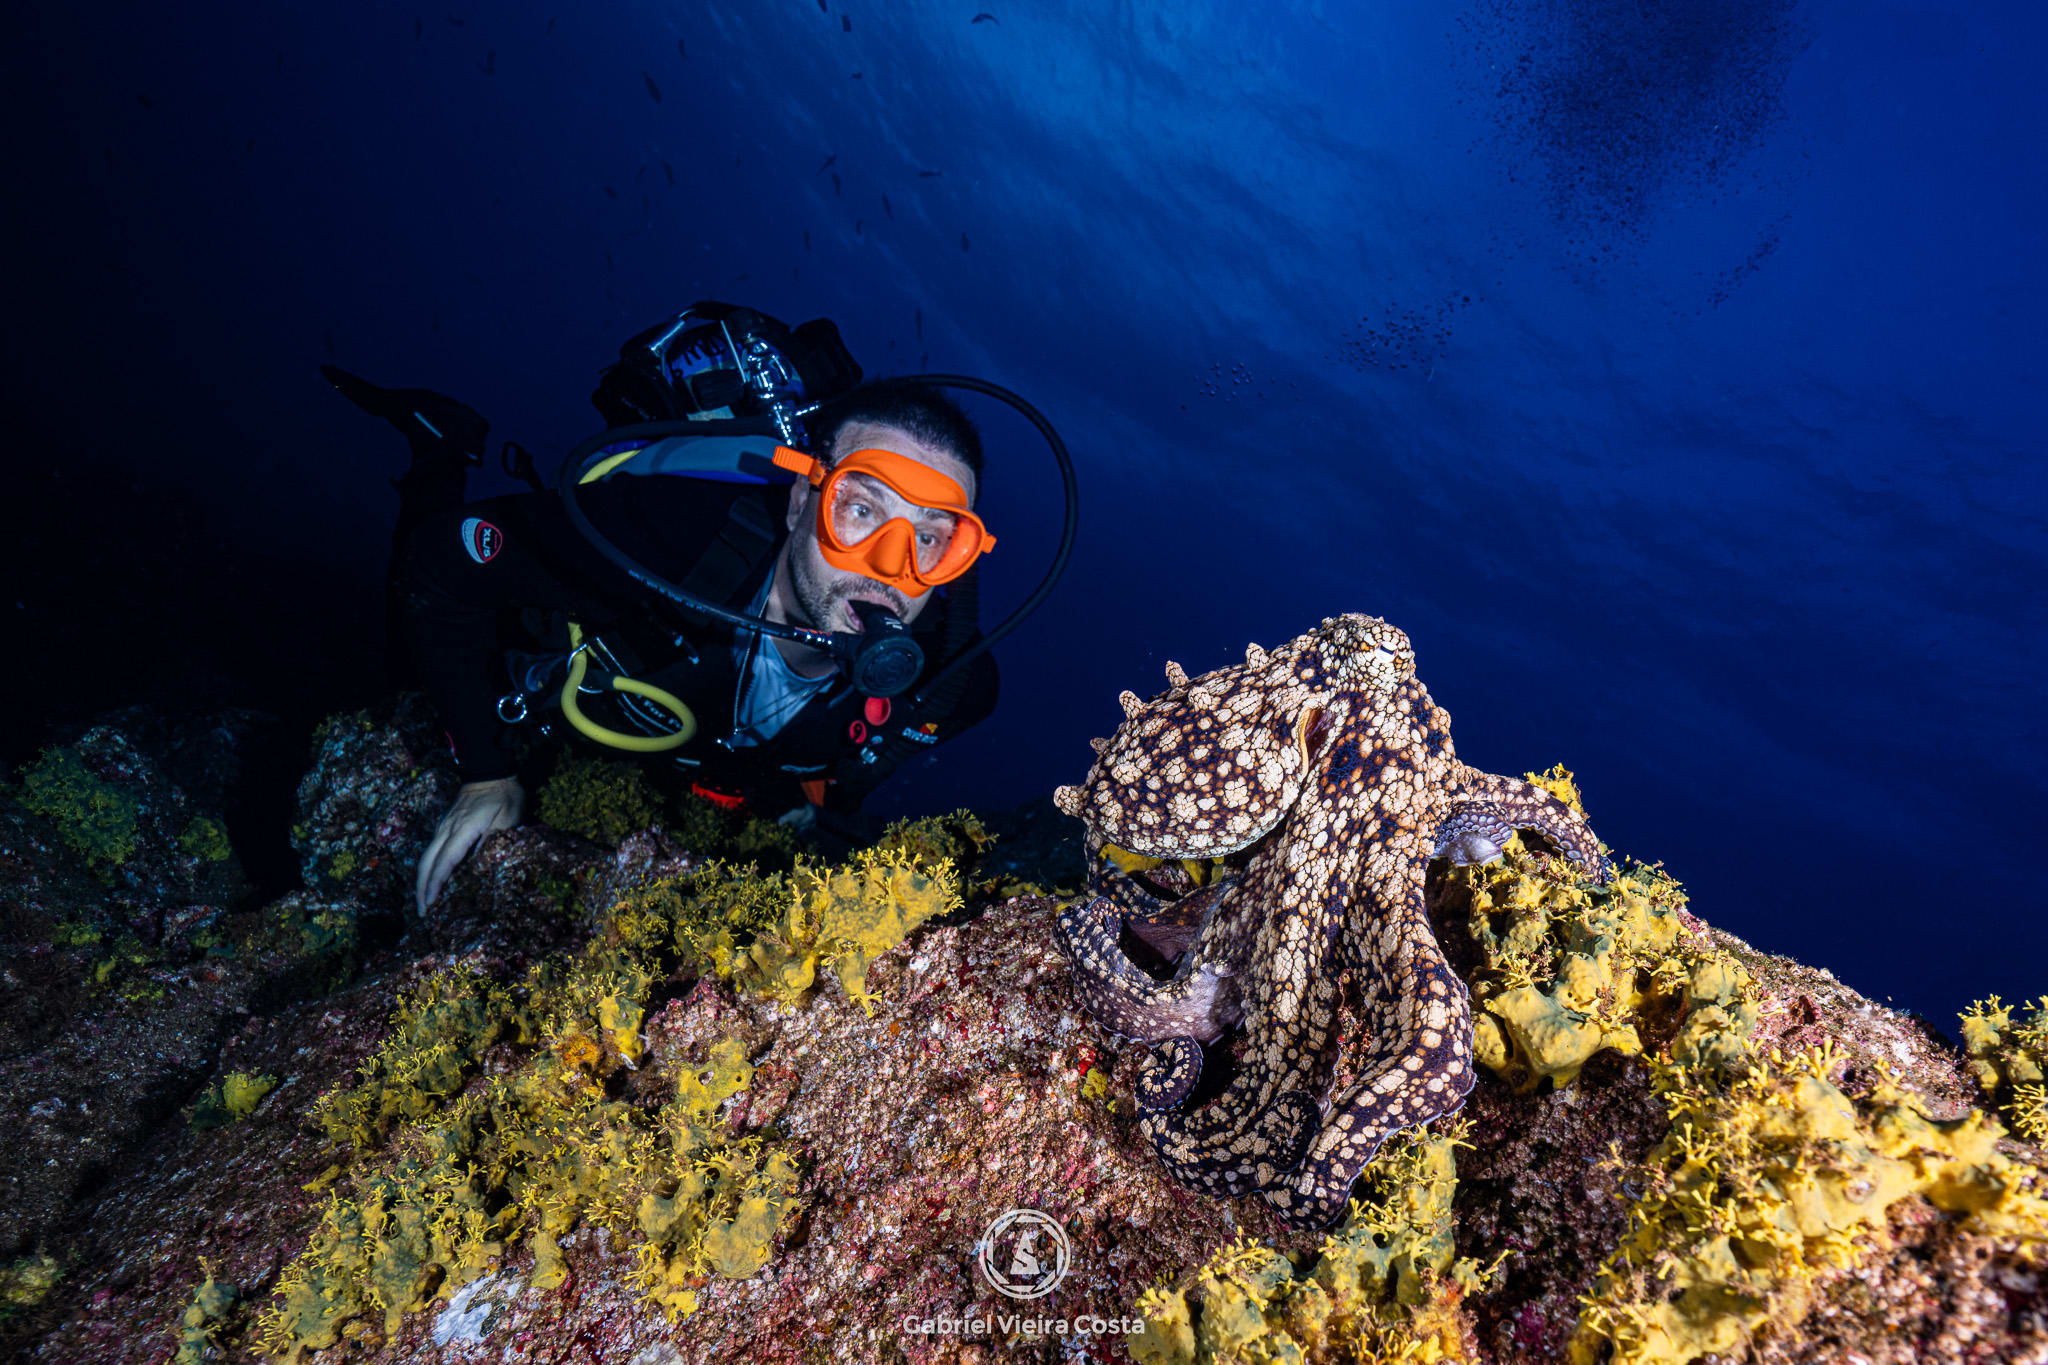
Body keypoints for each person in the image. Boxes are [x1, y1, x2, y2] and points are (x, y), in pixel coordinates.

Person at [328, 304, 1009, 916]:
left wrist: (811, 800)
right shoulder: (667, 538)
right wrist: (484, 772)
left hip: (695, 760)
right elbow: (440, 559)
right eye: (861, 509)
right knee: (402, 663)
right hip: (562, 682)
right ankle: (440, 446)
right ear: (803, 500)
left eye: (932, 539)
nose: (894, 566)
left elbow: (866, 756)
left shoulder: (955, 682)